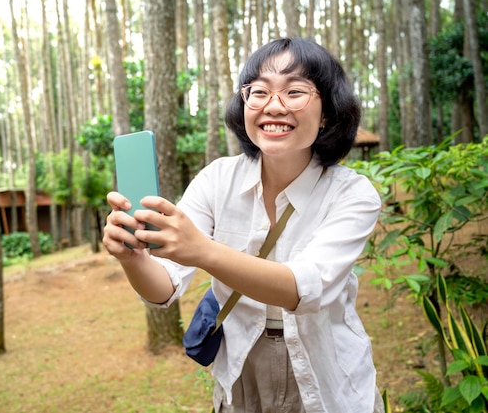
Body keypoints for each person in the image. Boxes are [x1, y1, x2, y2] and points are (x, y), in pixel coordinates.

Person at [102, 37, 384, 413]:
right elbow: (164, 288)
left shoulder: (352, 194)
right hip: (240, 368)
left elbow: (304, 289)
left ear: (328, 113)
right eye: (259, 91)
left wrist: (203, 250)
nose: (273, 106)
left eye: (295, 91)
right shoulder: (217, 180)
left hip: (328, 372)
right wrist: (133, 258)